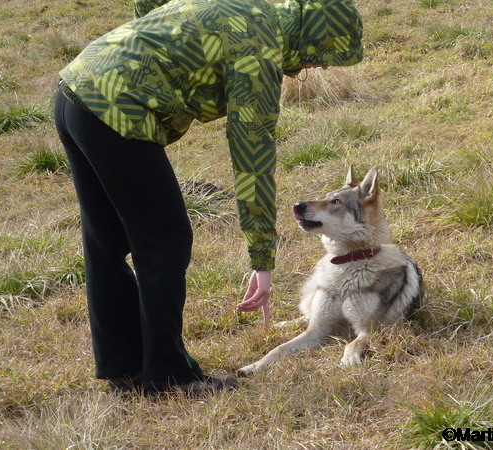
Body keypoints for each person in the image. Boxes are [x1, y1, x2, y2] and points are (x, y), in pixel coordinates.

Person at [54, 0, 363, 397]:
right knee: (165, 242)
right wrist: (263, 261)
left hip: (75, 91)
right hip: (116, 110)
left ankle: (124, 368)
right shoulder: (260, 49)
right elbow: (253, 157)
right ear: (313, 34)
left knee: (106, 240)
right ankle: (170, 378)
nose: (318, 67)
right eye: (323, 54)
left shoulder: (252, 10)